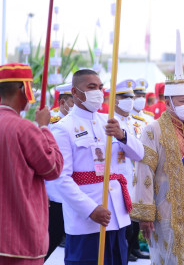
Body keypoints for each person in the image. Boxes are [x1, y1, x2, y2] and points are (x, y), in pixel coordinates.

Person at [131, 31, 184, 265]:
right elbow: (144, 173)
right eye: (182, 101)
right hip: (165, 212)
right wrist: (145, 212)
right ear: (168, 102)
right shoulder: (152, 130)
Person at [51, 69, 144, 265]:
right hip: (87, 220)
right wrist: (90, 209)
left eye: (100, 87)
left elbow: (139, 154)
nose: (98, 92)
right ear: (75, 93)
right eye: (91, 87)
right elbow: (62, 178)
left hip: (116, 215)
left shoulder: (110, 121)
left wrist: (122, 136)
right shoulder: (63, 127)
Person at [0, 63, 63, 264]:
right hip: (20, 237)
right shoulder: (25, 129)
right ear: (23, 89)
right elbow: (53, 167)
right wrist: (44, 127)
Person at [108, 78, 150, 261]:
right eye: (125, 96)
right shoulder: (108, 122)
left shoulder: (140, 122)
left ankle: (130, 251)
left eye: (132, 97)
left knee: (133, 225)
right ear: (114, 99)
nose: (130, 100)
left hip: (137, 178)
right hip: (118, 181)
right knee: (122, 231)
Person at [45, 83, 73, 260]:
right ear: (62, 103)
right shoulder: (52, 122)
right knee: (53, 234)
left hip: (74, 188)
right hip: (55, 189)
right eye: (73, 102)